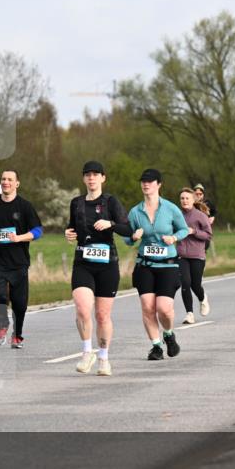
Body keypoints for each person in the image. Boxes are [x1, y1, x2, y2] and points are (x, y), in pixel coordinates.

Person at [64, 161, 131, 375]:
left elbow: (128, 229)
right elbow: (71, 226)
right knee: (83, 308)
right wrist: (69, 233)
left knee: (102, 315)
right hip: (83, 262)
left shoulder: (111, 202)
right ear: (84, 179)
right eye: (87, 175)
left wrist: (110, 224)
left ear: (103, 178)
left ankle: (103, 357)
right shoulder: (76, 203)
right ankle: (86, 352)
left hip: (107, 264)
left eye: (96, 175)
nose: (91, 178)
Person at [125, 169, 189, 360]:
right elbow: (127, 239)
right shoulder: (135, 212)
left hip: (168, 265)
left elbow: (184, 229)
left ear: (159, 184)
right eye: (143, 181)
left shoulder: (170, 208)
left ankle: (168, 334)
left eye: (151, 181)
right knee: (147, 306)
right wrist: (133, 237)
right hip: (145, 264)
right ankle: (155, 346)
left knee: (164, 309)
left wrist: (173, 237)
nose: (146, 184)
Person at [0, 170, 43, 349]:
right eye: (3, 179)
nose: (6, 182)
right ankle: (3, 324)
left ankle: (18, 335)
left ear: (17, 184)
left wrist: (19, 238)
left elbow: (38, 231)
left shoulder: (25, 206)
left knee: (20, 303)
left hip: (19, 261)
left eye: (10, 179)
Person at [176, 188, 212, 325]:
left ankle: (203, 299)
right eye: (182, 198)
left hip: (197, 255)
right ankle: (189, 314)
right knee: (185, 283)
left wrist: (193, 231)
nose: (184, 201)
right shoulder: (176, 215)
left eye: (187, 198)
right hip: (181, 255)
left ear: (193, 200)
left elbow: (208, 235)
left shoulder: (200, 216)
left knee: (195, 284)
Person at [193, 184, 217, 252]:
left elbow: (214, 211)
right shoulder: (191, 203)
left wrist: (212, 217)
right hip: (194, 229)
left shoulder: (207, 203)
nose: (198, 196)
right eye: (196, 194)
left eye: (200, 194)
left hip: (205, 229)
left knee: (203, 249)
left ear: (203, 194)